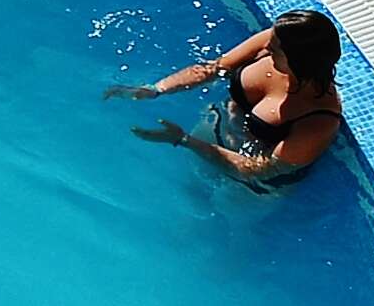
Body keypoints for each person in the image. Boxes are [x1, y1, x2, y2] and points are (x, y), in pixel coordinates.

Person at [119, 12, 350, 183]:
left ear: (299, 60)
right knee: (186, 189)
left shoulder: (319, 121)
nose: (267, 46)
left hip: (253, 185)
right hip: (215, 127)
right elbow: (214, 69)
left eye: (275, 49)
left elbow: (260, 170)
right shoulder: (274, 41)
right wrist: (156, 89)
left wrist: (184, 140)